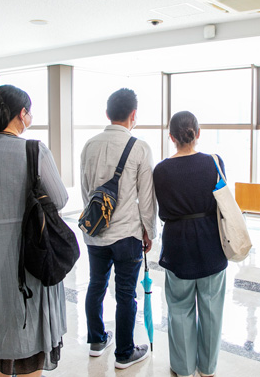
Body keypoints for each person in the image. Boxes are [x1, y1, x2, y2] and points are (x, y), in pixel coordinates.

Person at [0, 85, 68, 377]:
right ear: (22, 114)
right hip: (26, 253)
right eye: (29, 111)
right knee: (28, 331)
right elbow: (59, 199)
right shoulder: (34, 150)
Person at [80, 88, 157, 370]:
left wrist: (95, 222)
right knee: (126, 292)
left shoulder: (89, 145)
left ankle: (97, 340)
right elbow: (146, 198)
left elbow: (88, 192)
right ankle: (125, 352)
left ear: (107, 114)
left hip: (95, 233)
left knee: (95, 284)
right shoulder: (140, 147)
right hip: (127, 234)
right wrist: (149, 231)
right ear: (133, 115)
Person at [152, 111, 227, 377]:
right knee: (211, 310)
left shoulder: (161, 170)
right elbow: (223, 201)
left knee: (180, 309)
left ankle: (182, 370)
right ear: (198, 133)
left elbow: (160, 209)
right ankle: (207, 369)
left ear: (171, 137)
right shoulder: (214, 163)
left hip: (177, 246)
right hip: (211, 245)